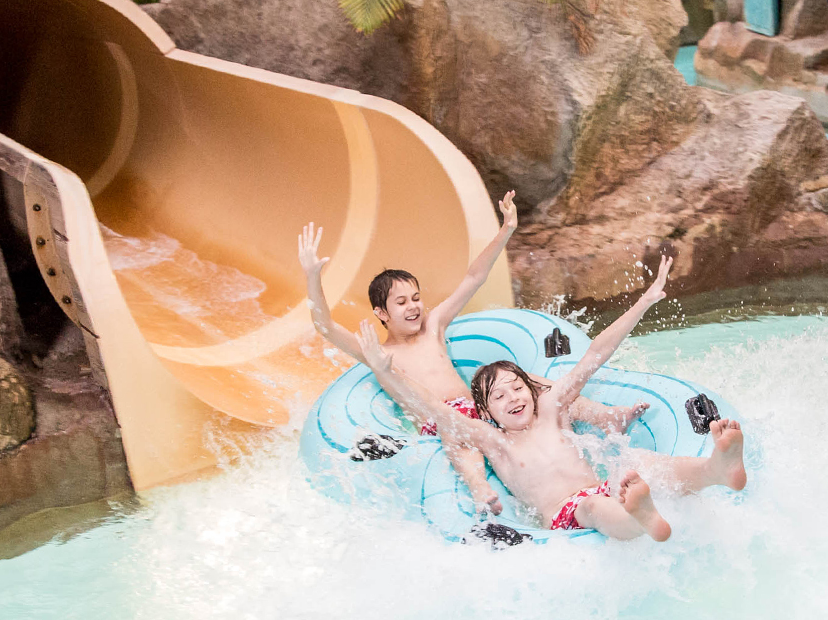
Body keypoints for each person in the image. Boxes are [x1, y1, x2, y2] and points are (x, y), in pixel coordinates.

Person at [298, 191, 646, 514]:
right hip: (440, 420)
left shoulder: (434, 327)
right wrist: (313, 275)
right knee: (454, 427)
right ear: (381, 313)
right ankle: (479, 487)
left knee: (525, 381)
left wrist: (506, 230)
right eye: (401, 303)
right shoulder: (377, 353)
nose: (413, 307)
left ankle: (604, 416)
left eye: (416, 298)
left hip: (480, 410)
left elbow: (474, 277)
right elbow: (325, 326)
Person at [357, 255, 747, 542]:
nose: (512, 398)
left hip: (604, 488)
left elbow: (595, 354)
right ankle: (639, 519)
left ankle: (715, 470)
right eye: (498, 396)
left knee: (641, 462)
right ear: (486, 412)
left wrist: (644, 302)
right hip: (569, 513)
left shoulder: (551, 412)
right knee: (595, 507)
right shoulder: (493, 441)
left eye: (517, 388)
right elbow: (433, 408)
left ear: (532, 392)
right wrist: (385, 369)